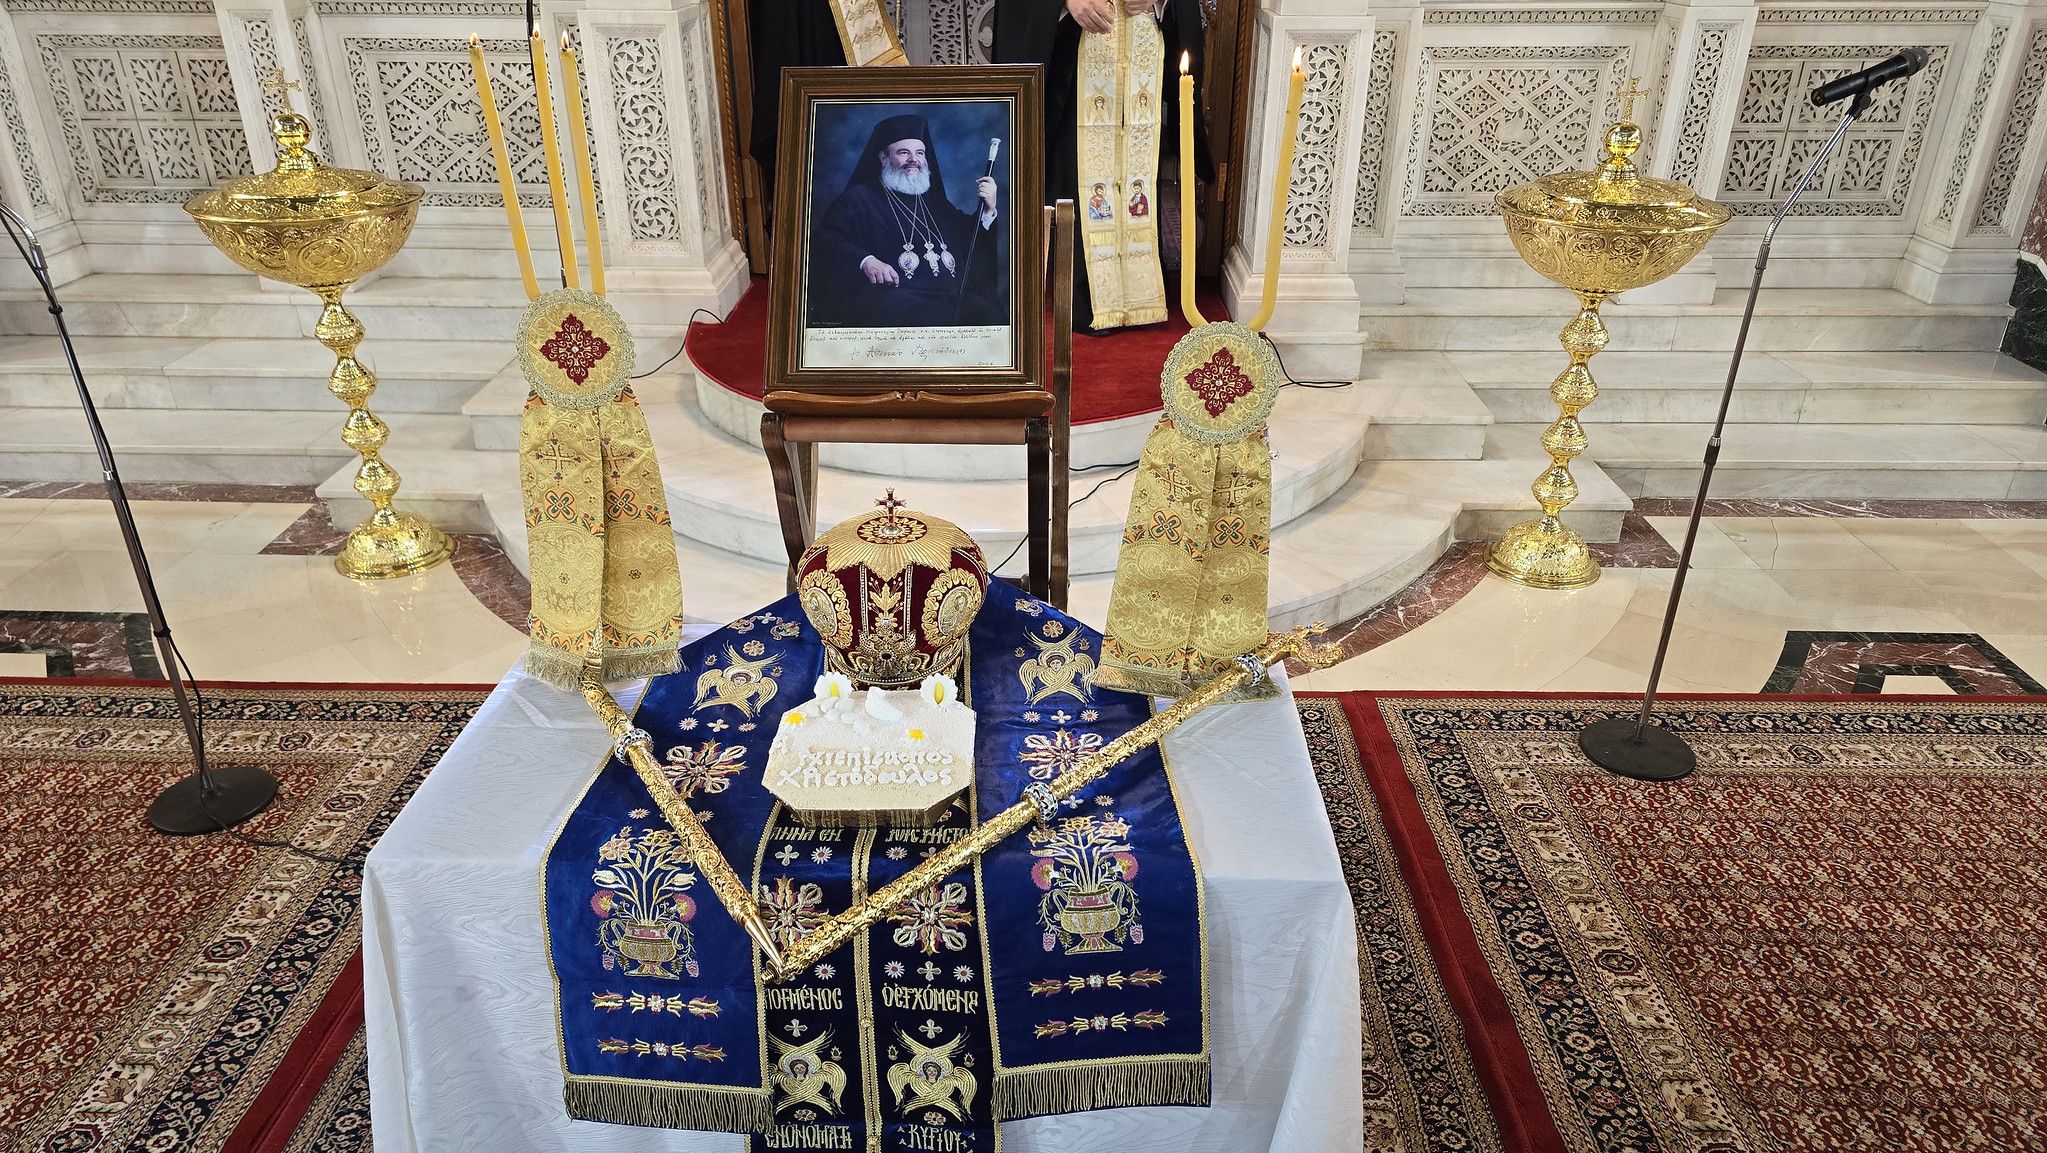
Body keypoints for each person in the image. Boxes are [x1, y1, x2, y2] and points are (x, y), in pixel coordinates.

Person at [996, 0, 1211, 330]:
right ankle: (1087, 297)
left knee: (1138, 164)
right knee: (1076, 165)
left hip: (1142, 43)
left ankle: (1142, 294)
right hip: (1076, 41)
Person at [807, 114, 1004, 329]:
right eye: (903, 152)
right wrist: (866, 260)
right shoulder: (857, 199)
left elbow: (968, 239)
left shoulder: (936, 203)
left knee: (988, 311)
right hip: (897, 300)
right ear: (883, 158)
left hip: (948, 298)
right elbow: (826, 240)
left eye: (920, 153)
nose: (913, 159)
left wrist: (988, 210)